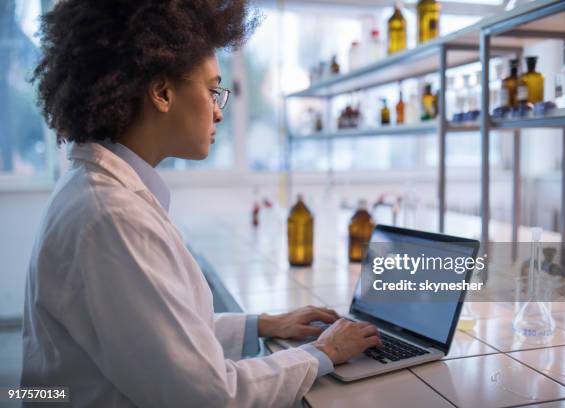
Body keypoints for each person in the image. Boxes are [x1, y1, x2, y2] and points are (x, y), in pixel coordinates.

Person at [21, 1, 381, 407]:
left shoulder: (100, 191)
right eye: (212, 91)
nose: (219, 113)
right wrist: (323, 353)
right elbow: (209, 395)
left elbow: (166, 336)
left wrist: (264, 324)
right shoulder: (112, 217)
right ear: (161, 92)